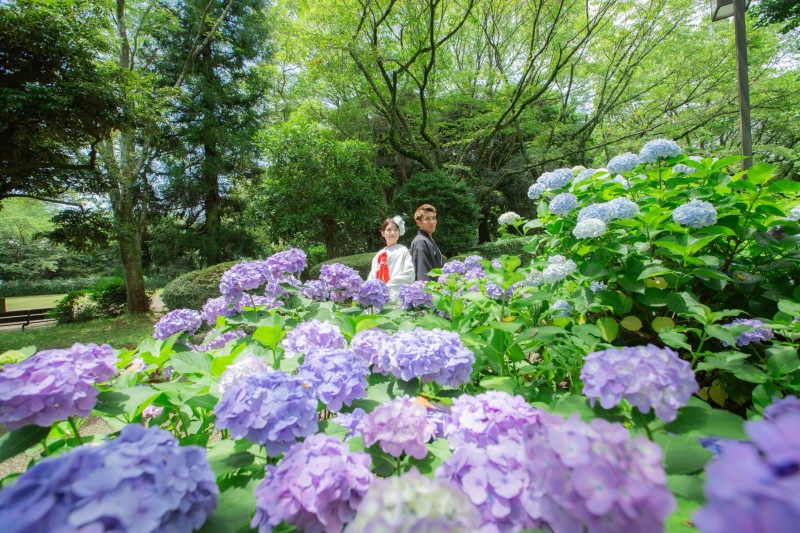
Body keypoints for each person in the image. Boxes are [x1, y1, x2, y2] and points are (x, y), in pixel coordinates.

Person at [367, 216, 415, 299]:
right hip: (378, 296)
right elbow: (372, 276)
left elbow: (409, 273)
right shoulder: (378, 255)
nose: (392, 233)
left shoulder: (403, 250)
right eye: (389, 230)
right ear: (383, 233)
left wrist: (388, 286)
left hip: (396, 295)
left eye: (396, 230)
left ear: (399, 233)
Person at [410, 204, 443, 281]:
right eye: (427, 219)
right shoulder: (420, 241)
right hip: (429, 289)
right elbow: (423, 273)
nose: (432, 222)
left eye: (434, 218)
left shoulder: (427, 239)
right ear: (418, 223)